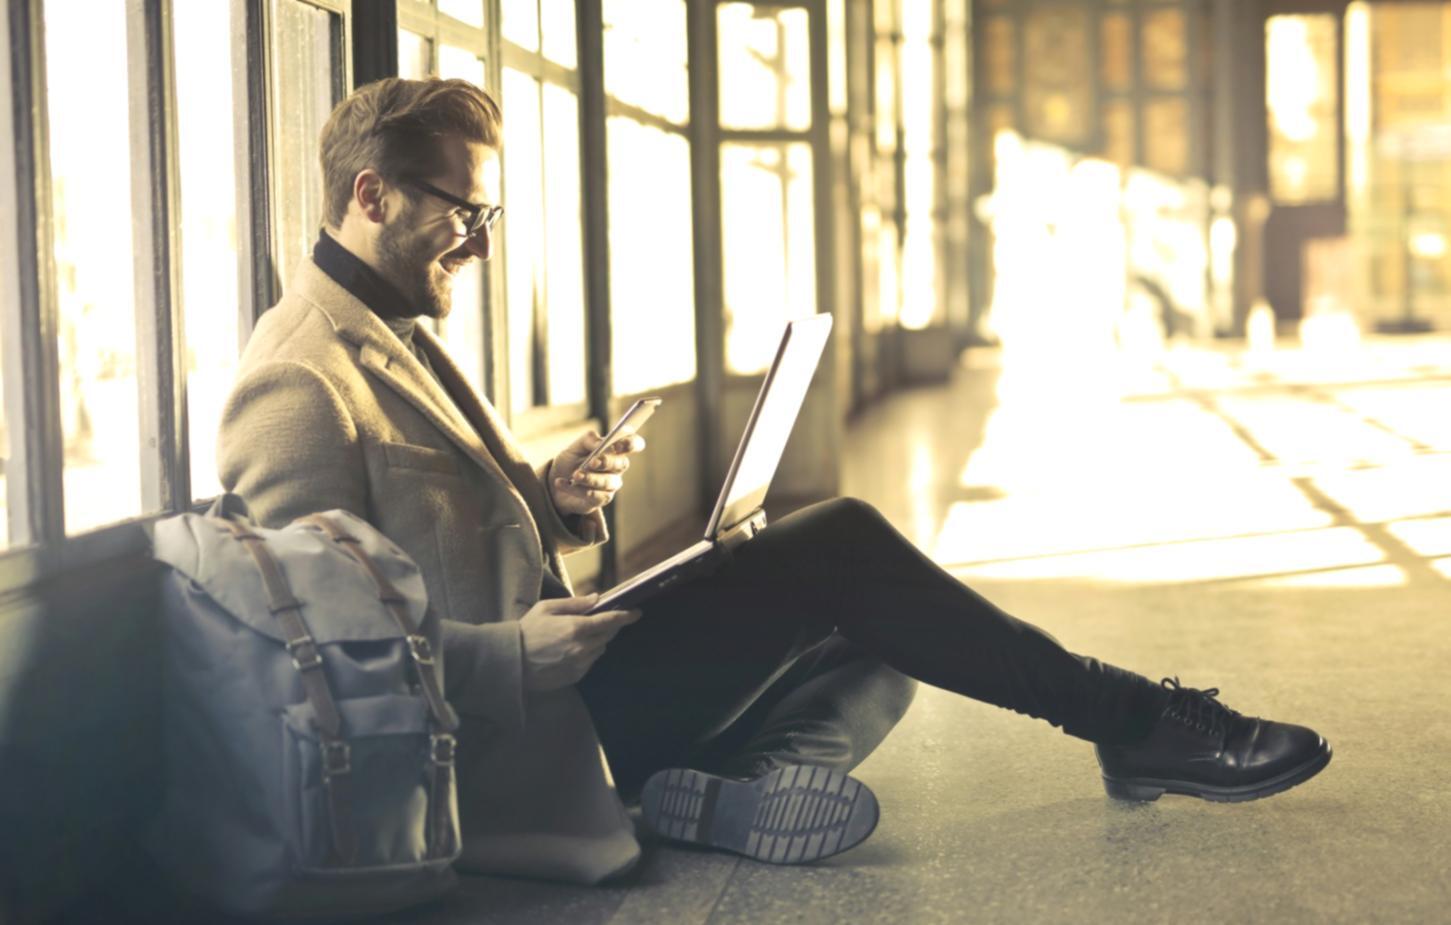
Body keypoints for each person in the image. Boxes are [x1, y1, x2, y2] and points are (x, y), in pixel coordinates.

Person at [218, 77, 1331, 883]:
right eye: (464, 213)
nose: (480, 242)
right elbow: (307, 664)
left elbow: (423, 541)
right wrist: (512, 652)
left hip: (562, 686)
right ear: (371, 194)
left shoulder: (391, 325)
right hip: (512, 735)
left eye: (488, 215)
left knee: (884, 639)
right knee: (841, 545)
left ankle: (728, 787)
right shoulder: (297, 381)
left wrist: (545, 498)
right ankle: (1130, 716)